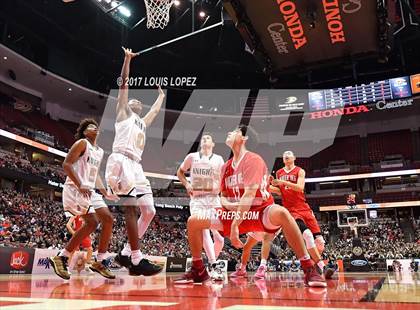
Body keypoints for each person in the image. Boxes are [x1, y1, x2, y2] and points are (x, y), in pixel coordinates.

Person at [174, 125, 326, 287]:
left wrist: (234, 226)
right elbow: (223, 197)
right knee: (193, 221)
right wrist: (232, 208)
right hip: (237, 212)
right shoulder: (226, 167)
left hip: (260, 212)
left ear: (244, 138)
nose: (229, 132)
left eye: (234, 131)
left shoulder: (253, 160)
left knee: (282, 213)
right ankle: (199, 269)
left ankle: (308, 267)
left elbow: (249, 196)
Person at [105, 47, 165, 276]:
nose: (137, 101)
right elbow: (124, 84)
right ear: (129, 105)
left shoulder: (142, 121)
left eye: (141, 101)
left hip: (137, 166)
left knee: (149, 211)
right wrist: (127, 60)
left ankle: (125, 253)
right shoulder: (123, 112)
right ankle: (136, 259)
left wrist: (160, 96)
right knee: (130, 209)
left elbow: (156, 112)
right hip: (121, 160)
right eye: (134, 100)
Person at [49, 119, 118, 280]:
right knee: (93, 222)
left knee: (108, 219)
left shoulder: (99, 151)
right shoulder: (82, 143)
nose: (95, 128)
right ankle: (63, 256)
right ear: (86, 132)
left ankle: (99, 261)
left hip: (90, 189)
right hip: (76, 187)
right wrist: (80, 184)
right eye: (91, 127)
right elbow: (67, 164)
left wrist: (105, 192)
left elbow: (95, 174)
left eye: (96, 126)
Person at [270, 150, 335, 279]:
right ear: (283, 160)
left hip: (304, 208)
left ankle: (313, 265)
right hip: (291, 210)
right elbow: (281, 192)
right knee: (307, 235)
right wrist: (268, 186)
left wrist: (282, 183)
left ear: (294, 158)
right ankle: (322, 267)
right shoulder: (279, 173)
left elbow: (300, 188)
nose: (286, 156)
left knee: (320, 242)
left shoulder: (300, 171)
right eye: (284, 156)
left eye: (289, 155)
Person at [177, 132, 225, 280]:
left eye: (208, 138)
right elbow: (180, 172)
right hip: (198, 200)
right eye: (203, 137)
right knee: (202, 230)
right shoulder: (192, 157)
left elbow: (223, 179)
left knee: (220, 238)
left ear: (213, 144)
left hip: (214, 199)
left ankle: (211, 263)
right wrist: (187, 184)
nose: (205, 139)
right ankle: (213, 264)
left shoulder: (219, 159)